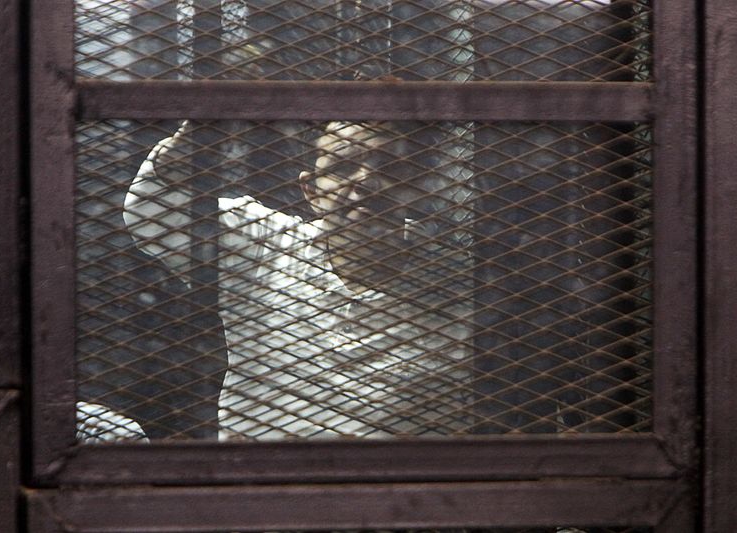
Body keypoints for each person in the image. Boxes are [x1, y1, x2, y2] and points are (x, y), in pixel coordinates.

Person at [123, 121, 476, 440]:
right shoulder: (264, 243)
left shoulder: (458, 275)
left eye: (390, 167)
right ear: (311, 191)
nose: (367, 182)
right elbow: (151, 209)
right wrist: (199, 129)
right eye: (342, 167)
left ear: (417, 189)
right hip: (268, 494)